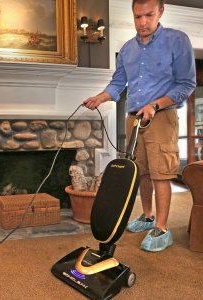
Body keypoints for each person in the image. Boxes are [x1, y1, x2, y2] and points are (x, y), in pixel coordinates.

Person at [83, 0, 196, 252]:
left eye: (149, 15)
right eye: (137, 17)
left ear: (161, 12)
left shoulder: (177, 41)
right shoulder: (127, 50)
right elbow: (118, 83)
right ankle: (147, 216)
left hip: (161, 116)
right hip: (134, 117)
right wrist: (100, 97)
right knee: (141, 171)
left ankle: (162, 227)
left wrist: (155, 105)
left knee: (161, 172)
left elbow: (186, 84)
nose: (143, 22)